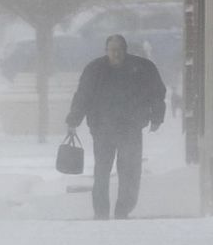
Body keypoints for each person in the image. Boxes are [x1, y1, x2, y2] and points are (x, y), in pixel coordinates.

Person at [65, 34, 166, 220]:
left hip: (131, 127)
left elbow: (157, 93)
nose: (116, 54)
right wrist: (73, 120)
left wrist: (157, 117)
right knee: (102, 170)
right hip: (102, 128)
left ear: (125, 50)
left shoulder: (142, 68)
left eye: (119, 49)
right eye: (112, 50)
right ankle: (101, 210)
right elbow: (83, 96)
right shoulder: (94, 70)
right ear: (106, 51)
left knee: (130, 170)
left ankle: (124, 208)